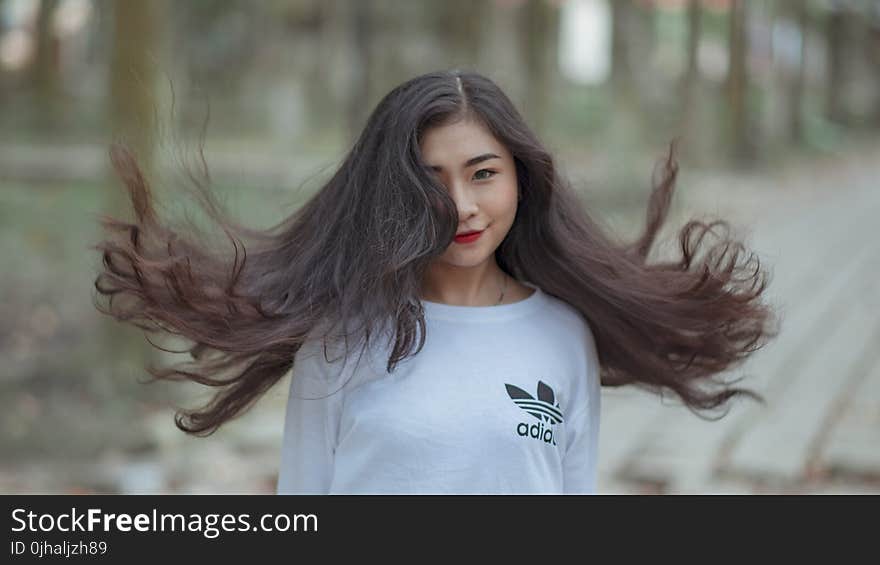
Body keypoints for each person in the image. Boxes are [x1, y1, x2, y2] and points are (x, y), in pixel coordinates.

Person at [92, 69, 780, 494]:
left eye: (483, 172)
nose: (462, 207)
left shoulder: (563, 334)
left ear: (521, 176)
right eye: (430, 181)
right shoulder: (339, 339)